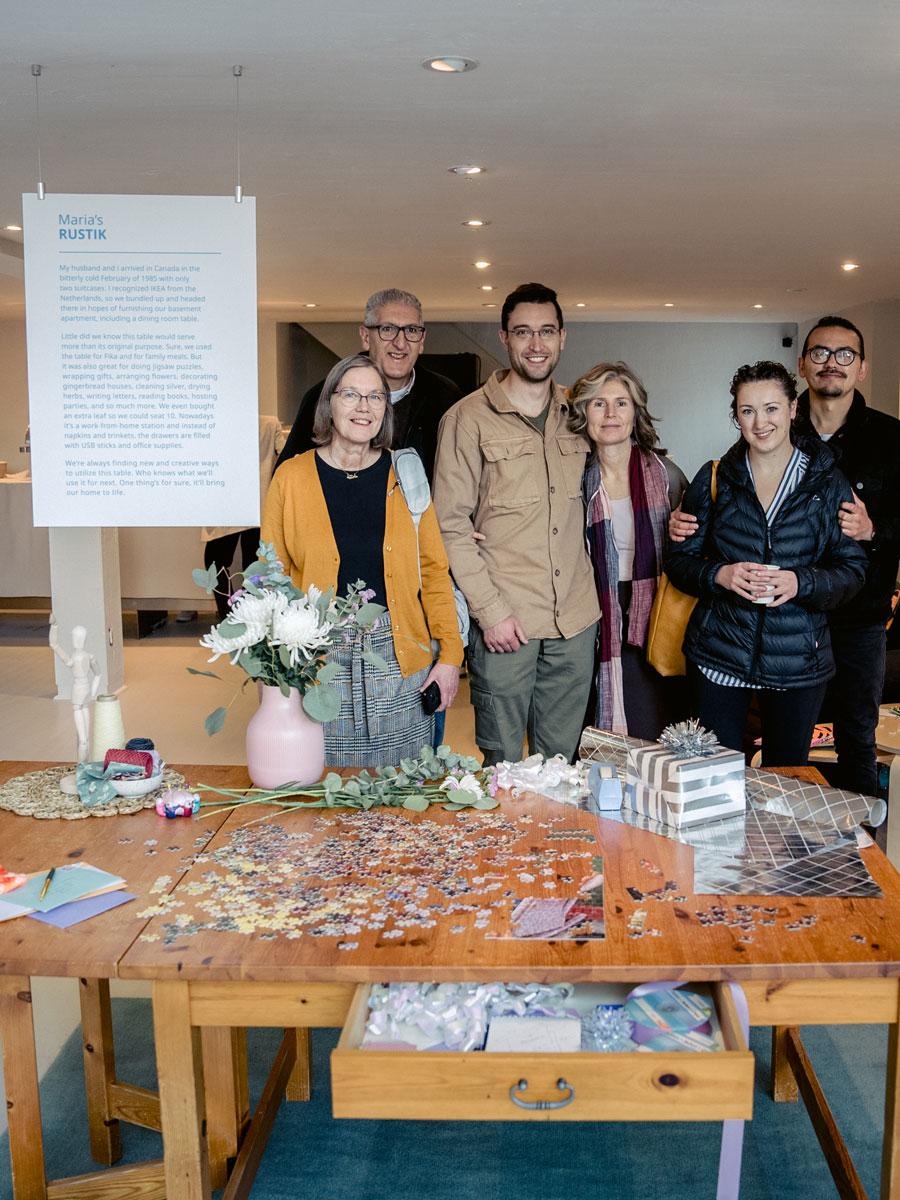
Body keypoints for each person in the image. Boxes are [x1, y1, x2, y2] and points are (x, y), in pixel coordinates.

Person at [261, 353, 462, 767]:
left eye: (375, 396)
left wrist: (450, 658)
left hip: (400, 660)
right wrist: (278, 673)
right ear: (328, 403)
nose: (364, 406)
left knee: (404, 795)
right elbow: (270, 580)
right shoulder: (291, 479)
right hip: (318, 664)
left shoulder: (406, 473)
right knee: (324, 794)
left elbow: (434, 573)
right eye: (351, 394)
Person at [665, 360, 866, 766]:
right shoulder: (716, 477)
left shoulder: (828, 484)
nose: (761, 423)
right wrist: (721, 574)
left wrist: (800, 583)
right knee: (715, 779)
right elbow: (678, 561)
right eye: (748, 411)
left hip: (798, 662)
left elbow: (853, 571)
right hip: (719, 655)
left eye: (772, 408)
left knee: (786, 781)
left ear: (793, 409)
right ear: (736, 416)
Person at [434, 282, 599, 766]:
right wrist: (489, 611)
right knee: (501, 768)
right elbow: (449, 525)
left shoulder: (581, 413)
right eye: (523, 332)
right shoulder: (467, 419)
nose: (536, 344)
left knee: (561, 768)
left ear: (562, 338)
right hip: (506, 622)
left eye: (547, 331)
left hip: (574, 620)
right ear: (504, 337)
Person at [794, 318, 900, 793]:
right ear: (803, 365)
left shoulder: (893, 439)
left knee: (856, 739)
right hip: (791, 618)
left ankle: (859, 854)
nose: (831, 363)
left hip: (861, 619)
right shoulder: (776, 429)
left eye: (844, 355)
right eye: (819, 353)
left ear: (861, 368)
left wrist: (874, 529)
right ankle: (791, 854)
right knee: (789, 741)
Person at [568, 361, 687, 738]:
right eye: (598, 404)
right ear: (583, 412)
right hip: (591, 611)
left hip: (651, 613)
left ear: (636, 411)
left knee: (651, 722)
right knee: (588, 724)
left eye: (621, 403)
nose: (610, 414)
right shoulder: (573, 476)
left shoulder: (664, 474)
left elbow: (693, 543)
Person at [275, 288, 461, 481]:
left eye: (411, 330)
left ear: (421, 340)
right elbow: (288, 477)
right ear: (365, 336)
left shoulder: (446, 397)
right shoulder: (325, 395)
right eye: (387, 329)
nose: (400, 343)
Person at [202, 414, 285, 620]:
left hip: (226, 502)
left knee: (214, 562)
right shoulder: (268, 423)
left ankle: (230, 614)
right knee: (253, 563)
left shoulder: (214, 422)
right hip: (259, 502)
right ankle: (250, 615)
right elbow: (284, 456)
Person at [49, 616, 102, 762]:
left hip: (79, 695)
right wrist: (92, 691)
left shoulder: (74, 658)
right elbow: (98, 674)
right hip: (84, 695)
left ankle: (82, 769)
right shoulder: (89, 656)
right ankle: (83, 768)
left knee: (83, 740)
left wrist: (54, 626)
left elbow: (54, 644)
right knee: (85, 739)